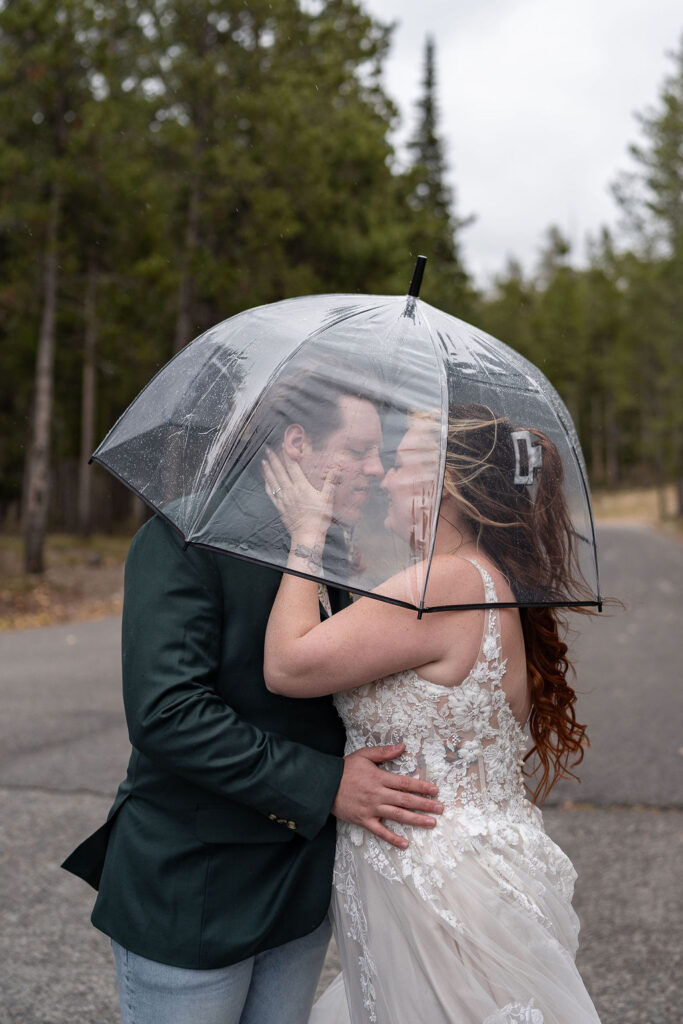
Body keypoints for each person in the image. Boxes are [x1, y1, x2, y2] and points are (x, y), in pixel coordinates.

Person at [61, 374, 444, 1024]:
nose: (375, 471)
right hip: (196, 890)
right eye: (356, 451)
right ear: (296, 442)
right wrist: (326, 785)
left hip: (298, 890)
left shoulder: (328, 550)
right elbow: (168, 714)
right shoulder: (186, 537)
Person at [263, 403, 602, 1024]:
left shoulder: (443, 585)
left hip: (440, 889)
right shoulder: (480, 577)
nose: (385, 478)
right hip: (457, 873)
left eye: (398, 464)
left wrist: (306, 536)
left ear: (444, 483)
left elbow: (288, 665)